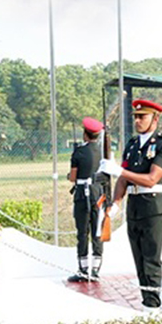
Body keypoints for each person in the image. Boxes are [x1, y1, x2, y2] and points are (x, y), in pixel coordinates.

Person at [98, 99, 162, 311]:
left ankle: (153, 305)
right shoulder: (132, 145)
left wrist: (119, 171)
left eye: (143, 117)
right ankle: (146, 301)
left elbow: (151, 179)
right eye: (136, 117)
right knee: (138, 258)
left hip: (153, 207)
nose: (138, 120)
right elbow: (123, 180)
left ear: (155, 119)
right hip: (134, 205)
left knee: (151, 257)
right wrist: (115, 203)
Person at [67, 117, 105, 282]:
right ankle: (96, 270)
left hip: (83, 194)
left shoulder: (79, 152)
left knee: (82, 232)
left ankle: (83, 269)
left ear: (85, 134)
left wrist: (70, 176)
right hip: (98, 193)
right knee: (97, 231)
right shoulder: (103, 151)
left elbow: (73, 177)